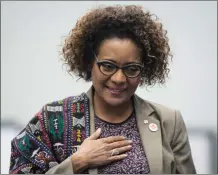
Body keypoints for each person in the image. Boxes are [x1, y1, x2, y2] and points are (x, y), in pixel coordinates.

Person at [9, 4, 196, 174]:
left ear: (144, 70)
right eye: (108, 66)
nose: (119, 79)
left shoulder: (168, 122)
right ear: (90, 62)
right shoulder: (52, 118)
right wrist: (78, 162)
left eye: (131, 69)